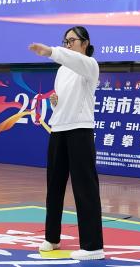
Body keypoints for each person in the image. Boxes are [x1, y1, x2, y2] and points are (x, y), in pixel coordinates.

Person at [28, 26, 104, 261]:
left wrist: (51, 51)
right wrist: (55, 102)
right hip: (58, 130)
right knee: (54, 187)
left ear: (85, 43)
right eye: (65, 41)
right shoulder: (62, 70)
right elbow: (64, 100)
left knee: (85, 188)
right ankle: (52, 237)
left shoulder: (90, 65)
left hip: (80, 131)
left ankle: (93, 246)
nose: (68, 44)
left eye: (72, 40)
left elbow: (73, 60)